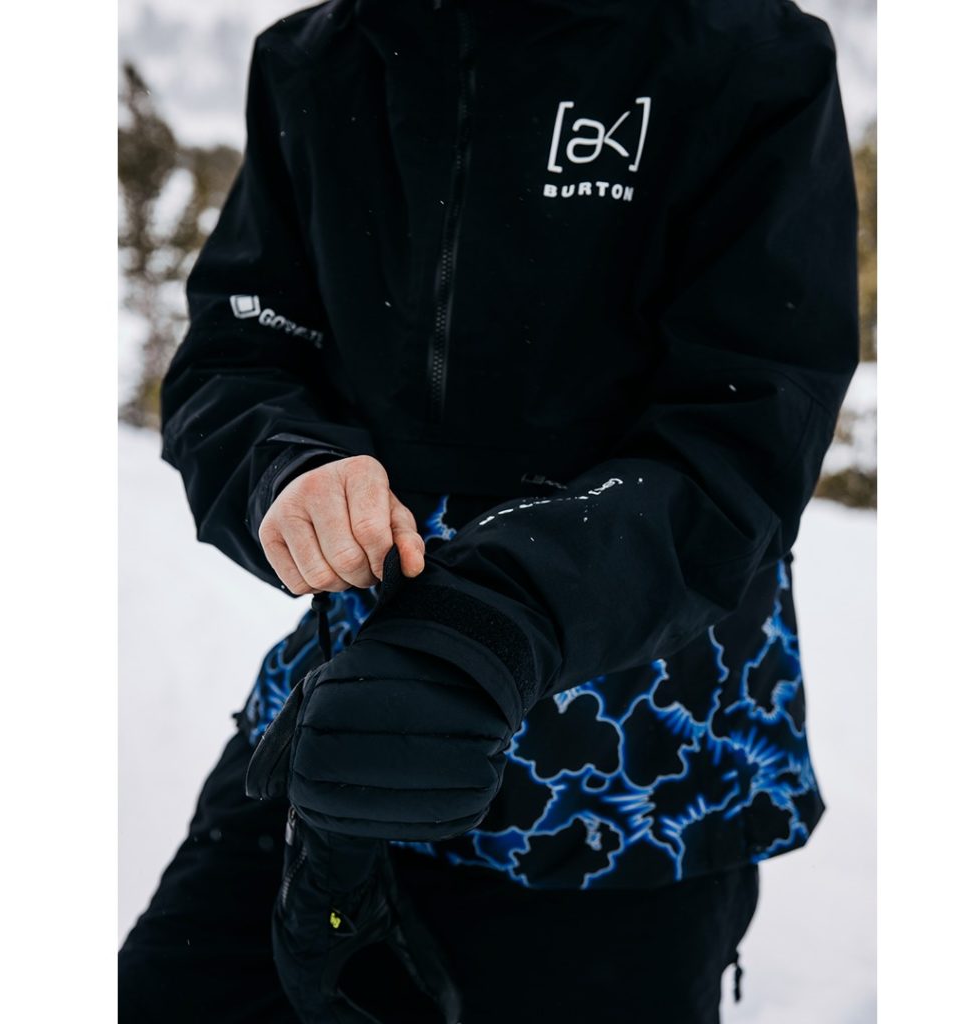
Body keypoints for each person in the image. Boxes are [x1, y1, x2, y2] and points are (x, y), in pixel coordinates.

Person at [119, 0, 859, 1020]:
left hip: (634, 758)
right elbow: (240, 351)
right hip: (346, 705)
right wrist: (285, 466)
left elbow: (744, 431)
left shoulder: (744, 53)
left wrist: (492, 621)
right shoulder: (315, 59)